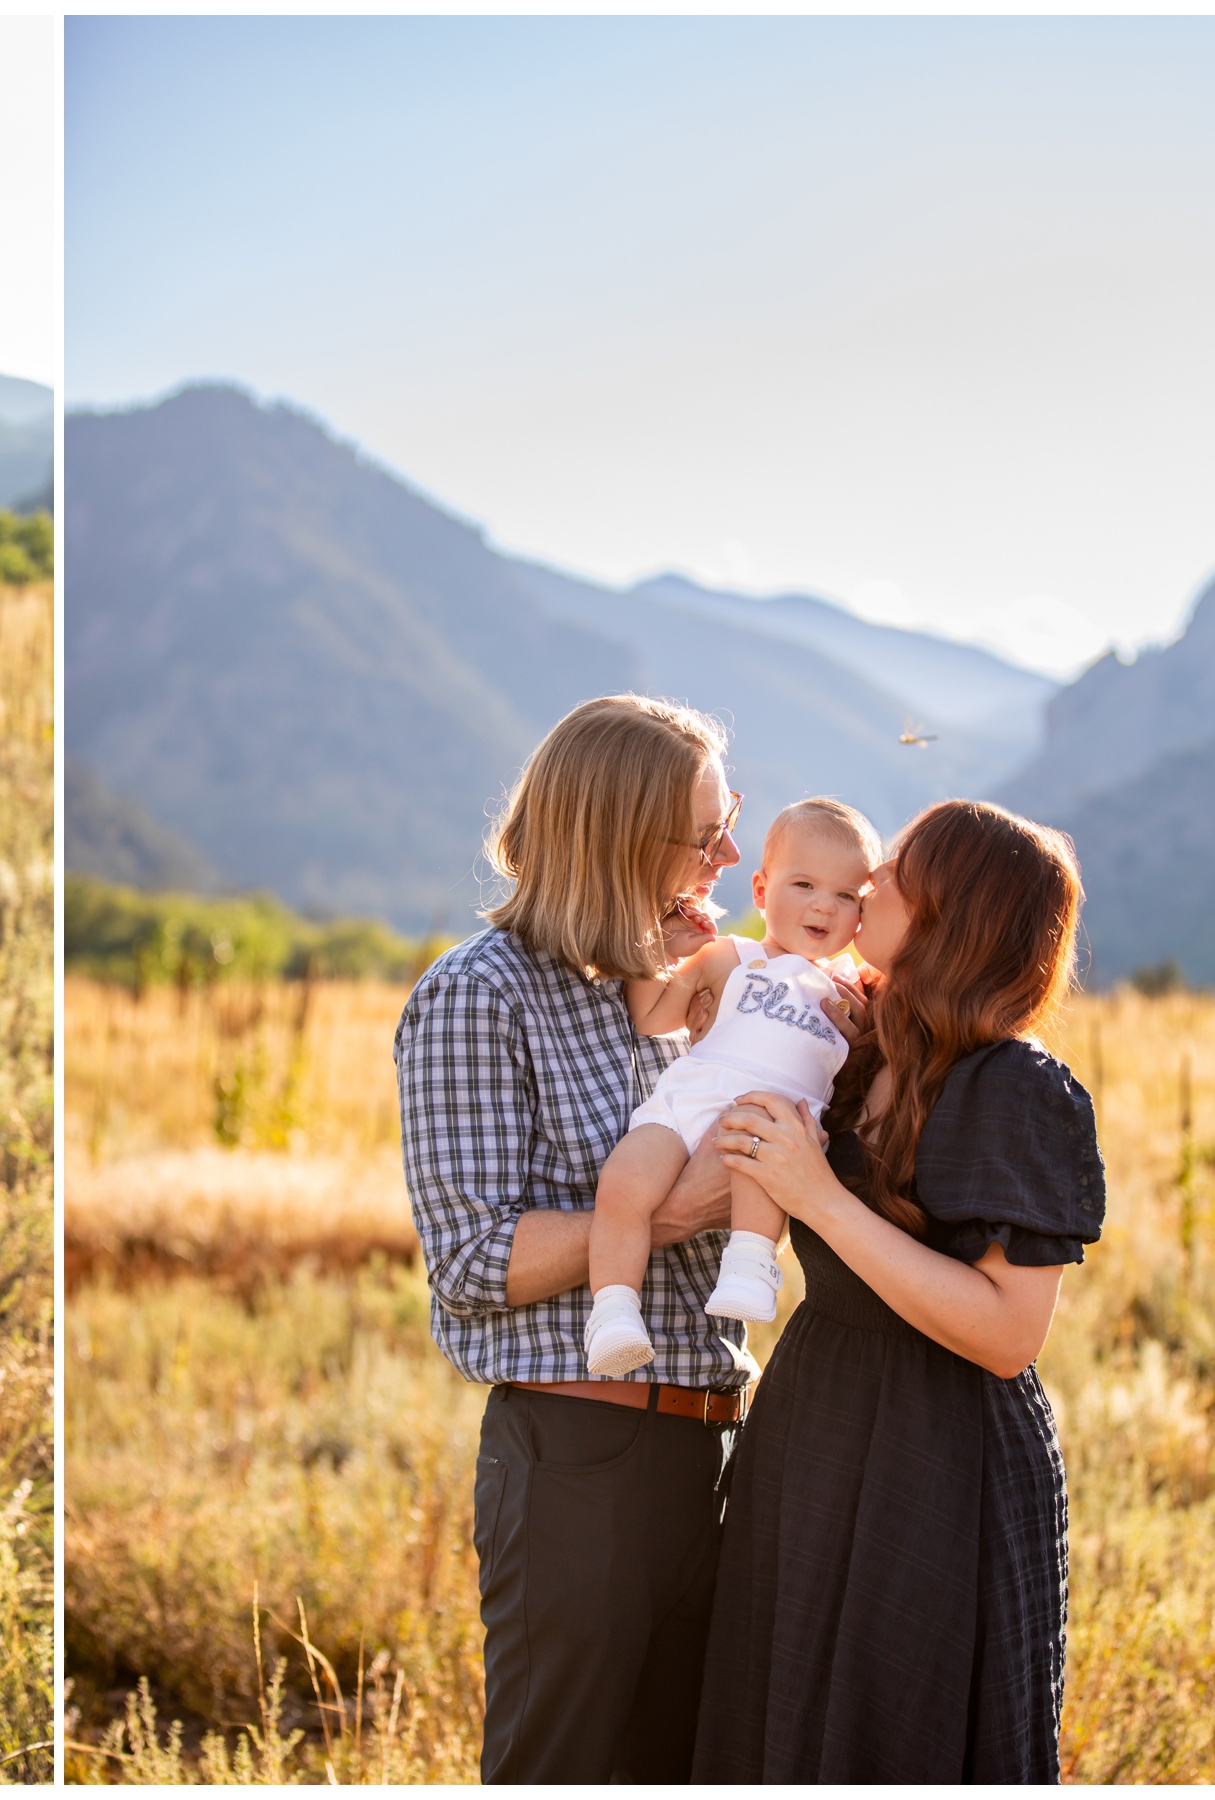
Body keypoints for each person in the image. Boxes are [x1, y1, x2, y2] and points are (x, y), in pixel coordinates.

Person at [693, 800, 1104, 1783]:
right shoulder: (863, 1042)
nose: (869, 884)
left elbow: (1008, 1334)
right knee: (783, 1712)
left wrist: (819, 1199)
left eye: (897, 873)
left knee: (895, 1725)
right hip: (817, 1417)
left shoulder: (1013, 1086)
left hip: (938, 1449)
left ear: (950, 915)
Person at [396, 693, 752, 1784]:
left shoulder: (675, 991)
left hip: (710, 1447)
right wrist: (672, 1212)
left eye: (729, 822)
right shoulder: (479, 994)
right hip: (579, 1457)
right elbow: (470, 1262)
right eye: (704, 835)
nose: (729, 858)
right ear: (618, 839)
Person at [583, 798, 876, 1375]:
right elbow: (653, 1017)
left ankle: (750, 1263)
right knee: (622, 1185)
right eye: (804, 885)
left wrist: (866, 1035)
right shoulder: (729, 956)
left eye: (846, 896)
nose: (823, 905)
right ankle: (613, 1310)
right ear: (762, 891)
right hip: (688, 1099)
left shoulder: (854, 992)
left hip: (772, 1121)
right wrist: (668, 953)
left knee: (762, 1159)